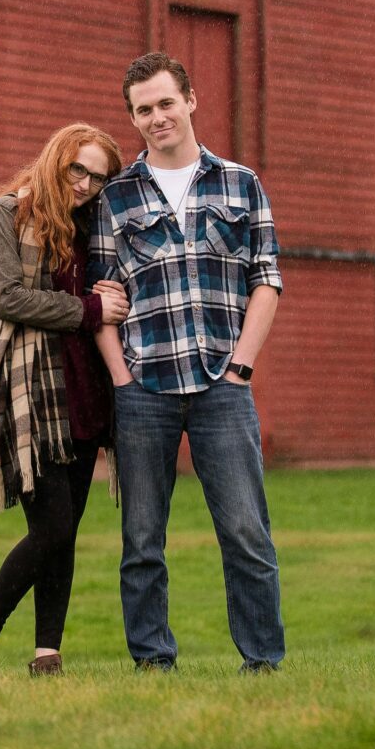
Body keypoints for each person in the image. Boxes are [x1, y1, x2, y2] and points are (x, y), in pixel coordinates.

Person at [89, 52, 286, 673]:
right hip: (143, 388)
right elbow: (101, 297)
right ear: (133, 118)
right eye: (143, 109)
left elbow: (266, 280)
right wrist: (121, 379)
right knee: (142, 540)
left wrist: (241, 368)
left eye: (166, 103)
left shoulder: (241, 184)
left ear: (191, 100)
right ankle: (153, 663)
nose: (157, 117)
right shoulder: (114, 198)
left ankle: (263, 663)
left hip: (222, 385)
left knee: (246, 533)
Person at [0, 123, 130, 677]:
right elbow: (7, 298)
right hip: (29, 391)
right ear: (56, 160)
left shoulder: (91, 225)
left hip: (84, 391)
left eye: (99, 178)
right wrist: (90, 309)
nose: (86, 185)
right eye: (79, 169)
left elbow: (104, 285)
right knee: (50, 529)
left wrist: (110, 293)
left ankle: (47, 654)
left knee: (64, 533)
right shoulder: (6, 215)